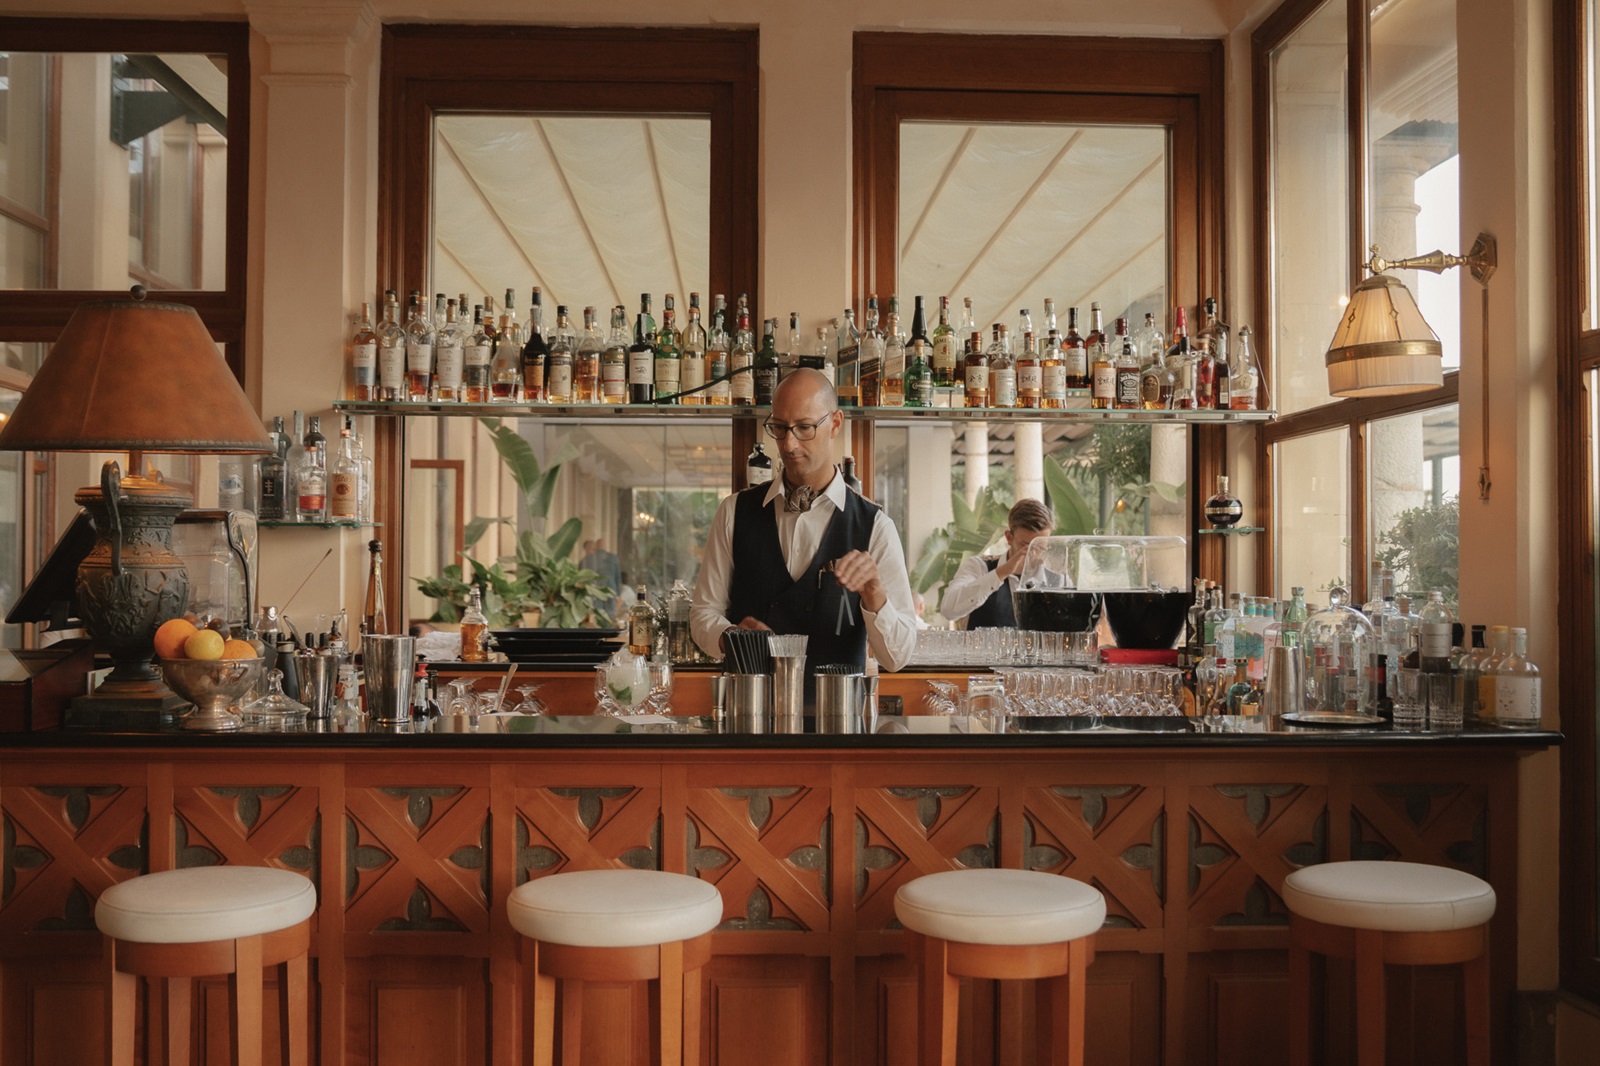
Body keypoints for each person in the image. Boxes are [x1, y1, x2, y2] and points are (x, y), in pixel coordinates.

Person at [691, 368, 917, 673]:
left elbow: (897, 658)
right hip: (750, 700)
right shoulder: (733, 512)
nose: (789, 445)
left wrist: (874, 593)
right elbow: (702, 614)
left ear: (835, 423)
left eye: (804, 428)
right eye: (780, 428)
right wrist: (728, 636)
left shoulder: (875, 526)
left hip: (837, 703)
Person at [939, 498, 1054, 629]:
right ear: (1009, 538)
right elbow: (948, 610)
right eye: (1025, 545)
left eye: (1040, 545)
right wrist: (1002, 572)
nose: (1033, 552)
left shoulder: (1057, 579)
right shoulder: (979, 567)